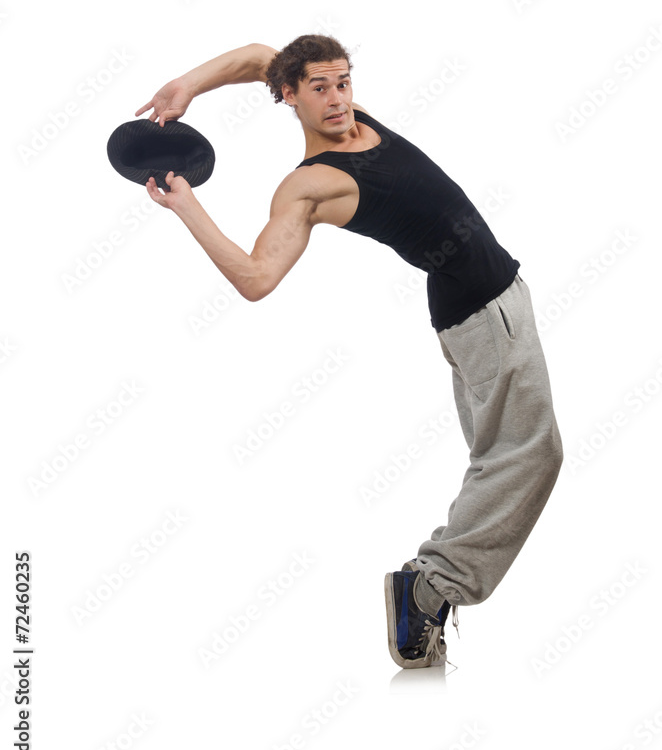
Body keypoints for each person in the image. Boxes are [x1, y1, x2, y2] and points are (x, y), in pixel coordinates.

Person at [135, 34, 563, 669]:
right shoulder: (311, 186)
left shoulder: (349, 121)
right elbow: (256, 278)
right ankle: (430, 587)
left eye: (343, 84)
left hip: (482, 304)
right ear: (291, 97)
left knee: (497, 459)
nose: (337, 100)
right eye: (319, 88)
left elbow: (258, 56)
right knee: (534, 455)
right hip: (483, 312)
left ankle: (426, 583)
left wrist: (188, 85)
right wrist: (189, 207)